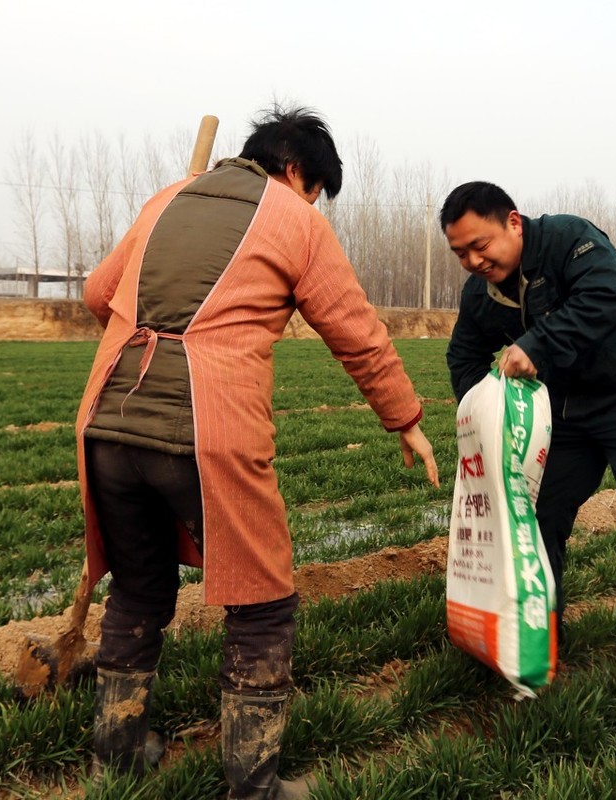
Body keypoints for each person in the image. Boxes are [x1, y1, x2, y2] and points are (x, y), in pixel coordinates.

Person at [75, 105, 439, 798]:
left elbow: (99, 293)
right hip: (207, 430)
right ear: (298, 170)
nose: (313, 204)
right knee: (263, 600)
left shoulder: (167, 199)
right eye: (316, 190)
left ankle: (115, 757)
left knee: (138, 589)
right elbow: (354, 330)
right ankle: (254, 785)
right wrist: (405, 419)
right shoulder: (295, 219)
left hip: (106, 422)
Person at [441, 181, 616, 720]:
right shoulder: (481, 293)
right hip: (566, 411)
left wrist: (534, 346)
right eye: (460, 253)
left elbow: (610, 297)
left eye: (481, 245)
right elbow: (464, 356)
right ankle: (537, 645)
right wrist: (482, 417)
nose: (474, 260)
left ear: (513, 223)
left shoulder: (570, 240)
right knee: (533, 517)